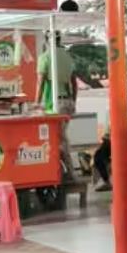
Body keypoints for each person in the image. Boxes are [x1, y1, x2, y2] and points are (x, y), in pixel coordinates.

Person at [35, 30, 78, 182]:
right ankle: (62, 171)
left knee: (58, 139)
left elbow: (40, 83)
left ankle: (68, 173)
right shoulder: (67, 56)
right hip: (67, 101)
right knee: (60, 137)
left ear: (47, 40)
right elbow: (74, 83)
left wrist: (36, 103)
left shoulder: (45, 57)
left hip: (54, 103)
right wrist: (73, 101)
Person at [93, 106, 127, 192]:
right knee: (98, 155)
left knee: (112, 153)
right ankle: (107, 179)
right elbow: (106, 131)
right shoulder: (109, 112)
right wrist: (107, 136)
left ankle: (113, 176)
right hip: (111, 141)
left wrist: (123, 134)